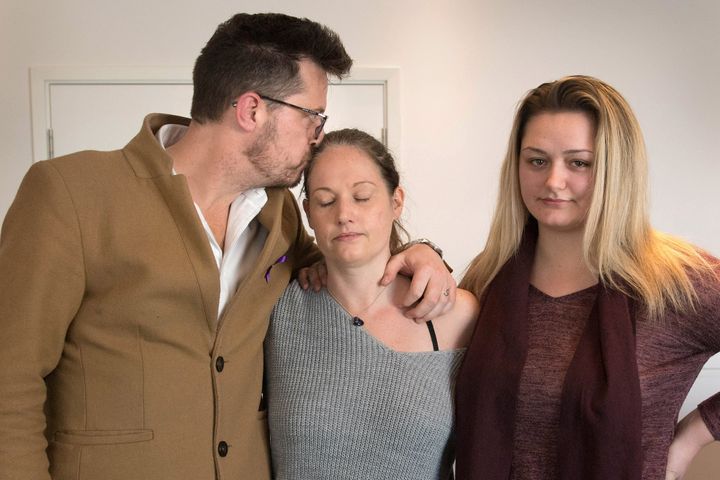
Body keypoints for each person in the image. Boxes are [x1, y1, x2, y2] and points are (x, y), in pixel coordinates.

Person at [0, 13, 456, 480]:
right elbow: (9, 382)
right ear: (252, 111)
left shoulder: (279, 215)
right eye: (312, 118)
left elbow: (343, 258)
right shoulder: (71, 194)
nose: (316, 136)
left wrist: (420, 254)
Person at [454, 75, 720, 480]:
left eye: (579, 163)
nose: (553, 182)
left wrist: (691, 438)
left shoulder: (676, 282)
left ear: (617, 170)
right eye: (536, 160)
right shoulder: (488, 276)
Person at [264, 128, 479, 480]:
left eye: (362, 197)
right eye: (325, 200)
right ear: (308, 213)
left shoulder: (456, 314)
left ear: (396, 202)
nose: (344, 214)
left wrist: (425, 251)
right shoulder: (277, 310)